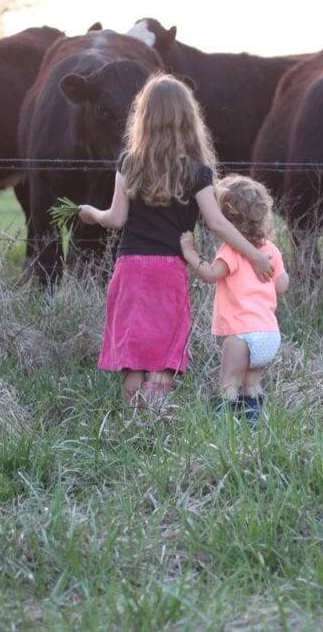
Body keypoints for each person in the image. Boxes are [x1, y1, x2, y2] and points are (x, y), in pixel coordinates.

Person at [78, 75, 274, 406]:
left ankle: (133, 421)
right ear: (187, 119)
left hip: (130, 268)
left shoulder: (129, 163)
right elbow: (217, 223)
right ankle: (156, 418)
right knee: (162, 348)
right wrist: (254, 255)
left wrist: (90, 213)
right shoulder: (197, 172)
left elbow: (116, 219)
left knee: (134, 348)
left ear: (144, 117)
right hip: (169, 270)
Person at [179, 175, 289, 421]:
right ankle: (253, 423)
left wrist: (189, 252)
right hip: (269, 335)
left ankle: (224, 426)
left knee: (229, 382)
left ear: (227, 220)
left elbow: (210, 274)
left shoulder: (230, 250)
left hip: (241, 334)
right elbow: (282, 285)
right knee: (252, 383)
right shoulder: (271, 250)